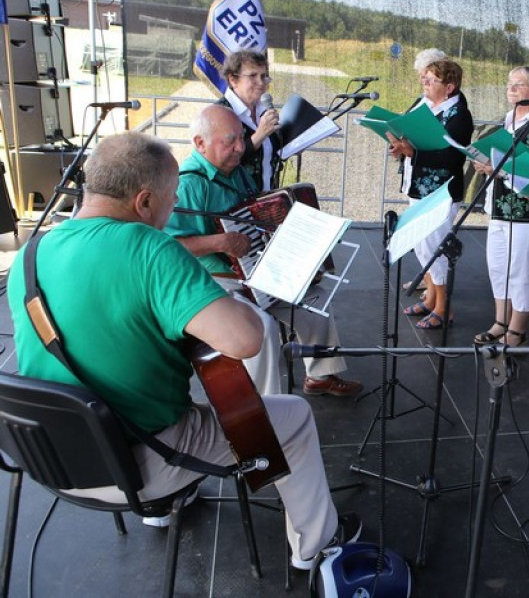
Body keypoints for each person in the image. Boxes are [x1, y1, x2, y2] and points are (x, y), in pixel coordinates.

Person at [6, 132, 358, 570]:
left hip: (51, 461)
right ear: (145, 202)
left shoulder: (31, 253)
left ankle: (169, 506)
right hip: (138, 467)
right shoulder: (149, 248)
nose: (173, 208)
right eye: (172, 198)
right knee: (294, 416)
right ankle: (317, 546)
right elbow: (246, 339)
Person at [165, 105, 362, 398]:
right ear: (199, 143)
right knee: (263, 327)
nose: (240, 147)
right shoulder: (188, 184)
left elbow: (257, 210)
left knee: (314, 301)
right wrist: (220, 243)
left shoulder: (238, 173)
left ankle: (320, 376)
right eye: (229, 141)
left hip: (253, 266)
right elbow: (169, 246)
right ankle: (265, 406)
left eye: (242, 139)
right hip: (214, 278)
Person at [472, 67, 529, 346]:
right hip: (498, 206)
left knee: (520, 269)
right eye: (510, 83)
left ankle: (517, 329)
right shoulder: (506, 122)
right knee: (497, 266)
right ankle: (500, 321)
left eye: (519, 85)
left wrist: (501, 171)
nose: (512, 88)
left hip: (524, 211)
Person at [388, 58, 474, 329]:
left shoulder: (459, 115)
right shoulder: (422, 104)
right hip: (418, 185)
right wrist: (398, 146)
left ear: (449, 87)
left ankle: (443, 306)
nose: (424, 83)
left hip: (442, 191)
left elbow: (452, 158)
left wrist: (414, 152)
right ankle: (430, 297)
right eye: (424, 78)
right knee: (421, 244)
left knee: (436, 246)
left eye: (431, 79)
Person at [217, 50, 285, 192]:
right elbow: (220, 162)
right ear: (232, 80)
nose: (261, 83)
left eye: (264, 76)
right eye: (253, 76)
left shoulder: (263, 110)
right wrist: (259, 135)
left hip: (267, 203)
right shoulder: (220, 113)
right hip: (234, 205)